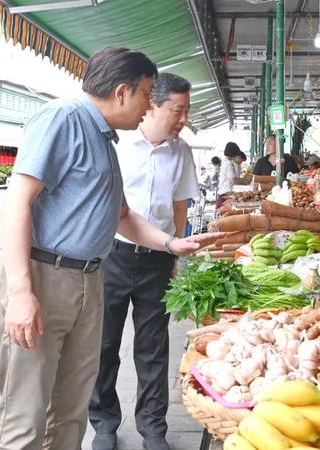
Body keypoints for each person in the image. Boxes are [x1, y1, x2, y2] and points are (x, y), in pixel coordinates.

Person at [0, 47, 213, 450]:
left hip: (87, 277)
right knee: (25, 414)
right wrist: (22, 292)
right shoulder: (63, 119)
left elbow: (123, 217)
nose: (149, 105)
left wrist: (172, 243)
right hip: (46, 276)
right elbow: (17, 202)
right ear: (123, 91)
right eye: (148, 94)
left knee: (70, 410)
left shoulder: (105, 140)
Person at [87, 73, 198, 450]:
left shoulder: (181, 151)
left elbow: (179, 203)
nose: (183, 118)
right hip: (112, 256)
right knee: (105, 344)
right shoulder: (117, 144)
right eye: (177, 110)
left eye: (186, 110)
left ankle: (153, 428)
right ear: (152, 105)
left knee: (153, 347)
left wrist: (175, 252)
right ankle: (103, 422)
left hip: (157, 259)